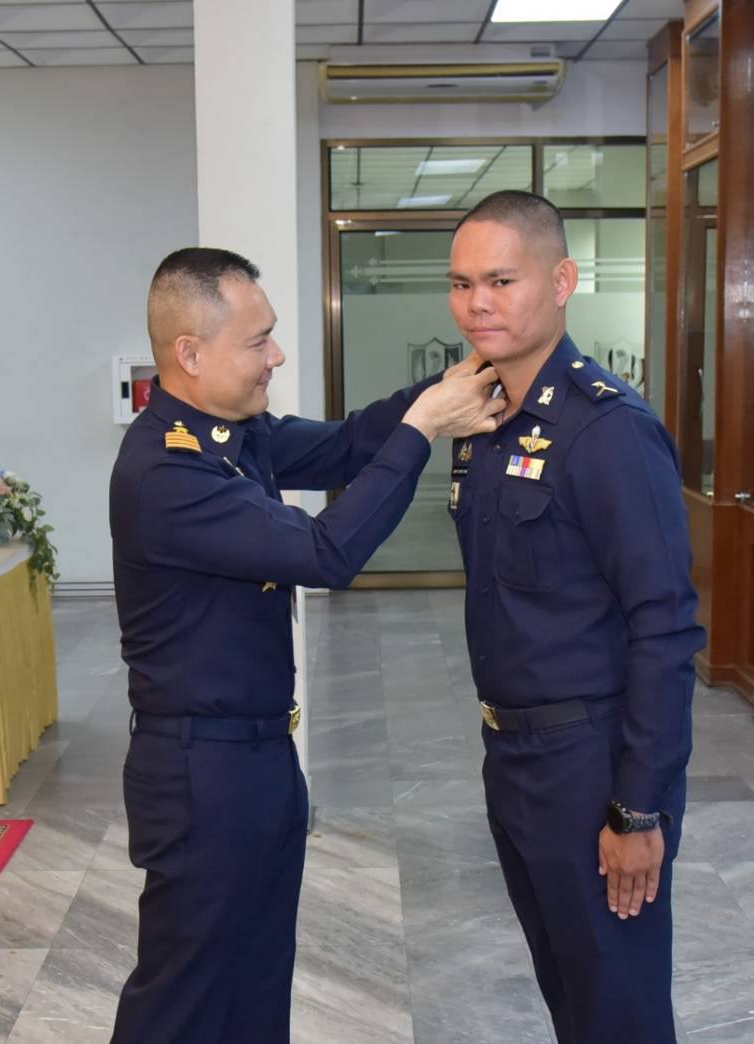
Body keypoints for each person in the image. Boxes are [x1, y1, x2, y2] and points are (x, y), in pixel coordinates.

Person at [109, 246, 503, 1042]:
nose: (277, 356)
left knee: (256, 986)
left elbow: (350, 443)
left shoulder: (234, 435)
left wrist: (457, 378)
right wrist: (427, 428)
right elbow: (326, 553)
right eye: (258, 341)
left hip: (257, 758)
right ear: (190, 353)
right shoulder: (166, 473)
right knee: (182, 999)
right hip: (201, 776)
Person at [443, 190, 704, 1042]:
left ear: (561, 282)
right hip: (512, 756)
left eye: (501, 281)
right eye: (461, 284)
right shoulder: (484, 419)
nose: (477, 303)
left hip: (590, 766)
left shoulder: (608, 430)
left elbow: (665, 627)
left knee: (619, 1009)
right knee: (570, 996)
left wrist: (638, 809)